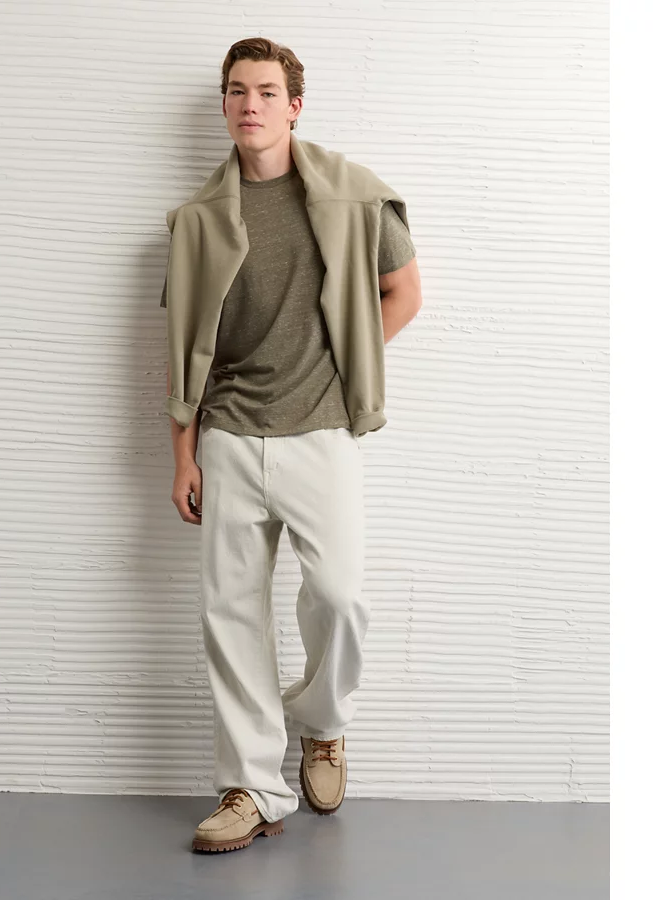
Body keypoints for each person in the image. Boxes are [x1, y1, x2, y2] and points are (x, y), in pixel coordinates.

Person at [159, 38, 423, 853]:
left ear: (294, 106)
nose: (251, 105)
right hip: (230, 435)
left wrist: (346, 371)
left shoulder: (352, 196)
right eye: (237, 91)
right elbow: (183, 348)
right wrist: (184, 454)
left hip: (321, 429)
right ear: (225, 105)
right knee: (231, 613)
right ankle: (251, 789)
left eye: (267, 91)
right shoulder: (197, 222)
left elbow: (404, 292)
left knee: (340, 597)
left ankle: (322, 722)